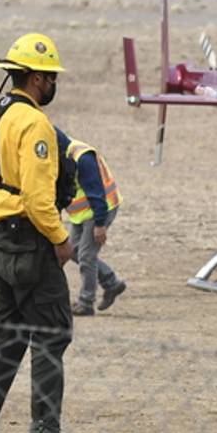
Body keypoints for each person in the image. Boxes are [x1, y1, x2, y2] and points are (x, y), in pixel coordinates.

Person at [0, 32, 86, 433]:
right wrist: (61, 239)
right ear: (34, 79)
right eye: (48, 77)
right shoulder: (35, 125)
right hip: (32, 241)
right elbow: (37, 197)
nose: (52, 85)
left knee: (3, 339)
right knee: (51, 335)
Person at [55, 127, 127, 317]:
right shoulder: (55, 154)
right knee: (72, 250)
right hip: (81, 212)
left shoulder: (82, 157)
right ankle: (112, 283)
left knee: (87, 255)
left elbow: (97, 193)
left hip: (100, 209)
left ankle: (86, 303)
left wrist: (100, 225)